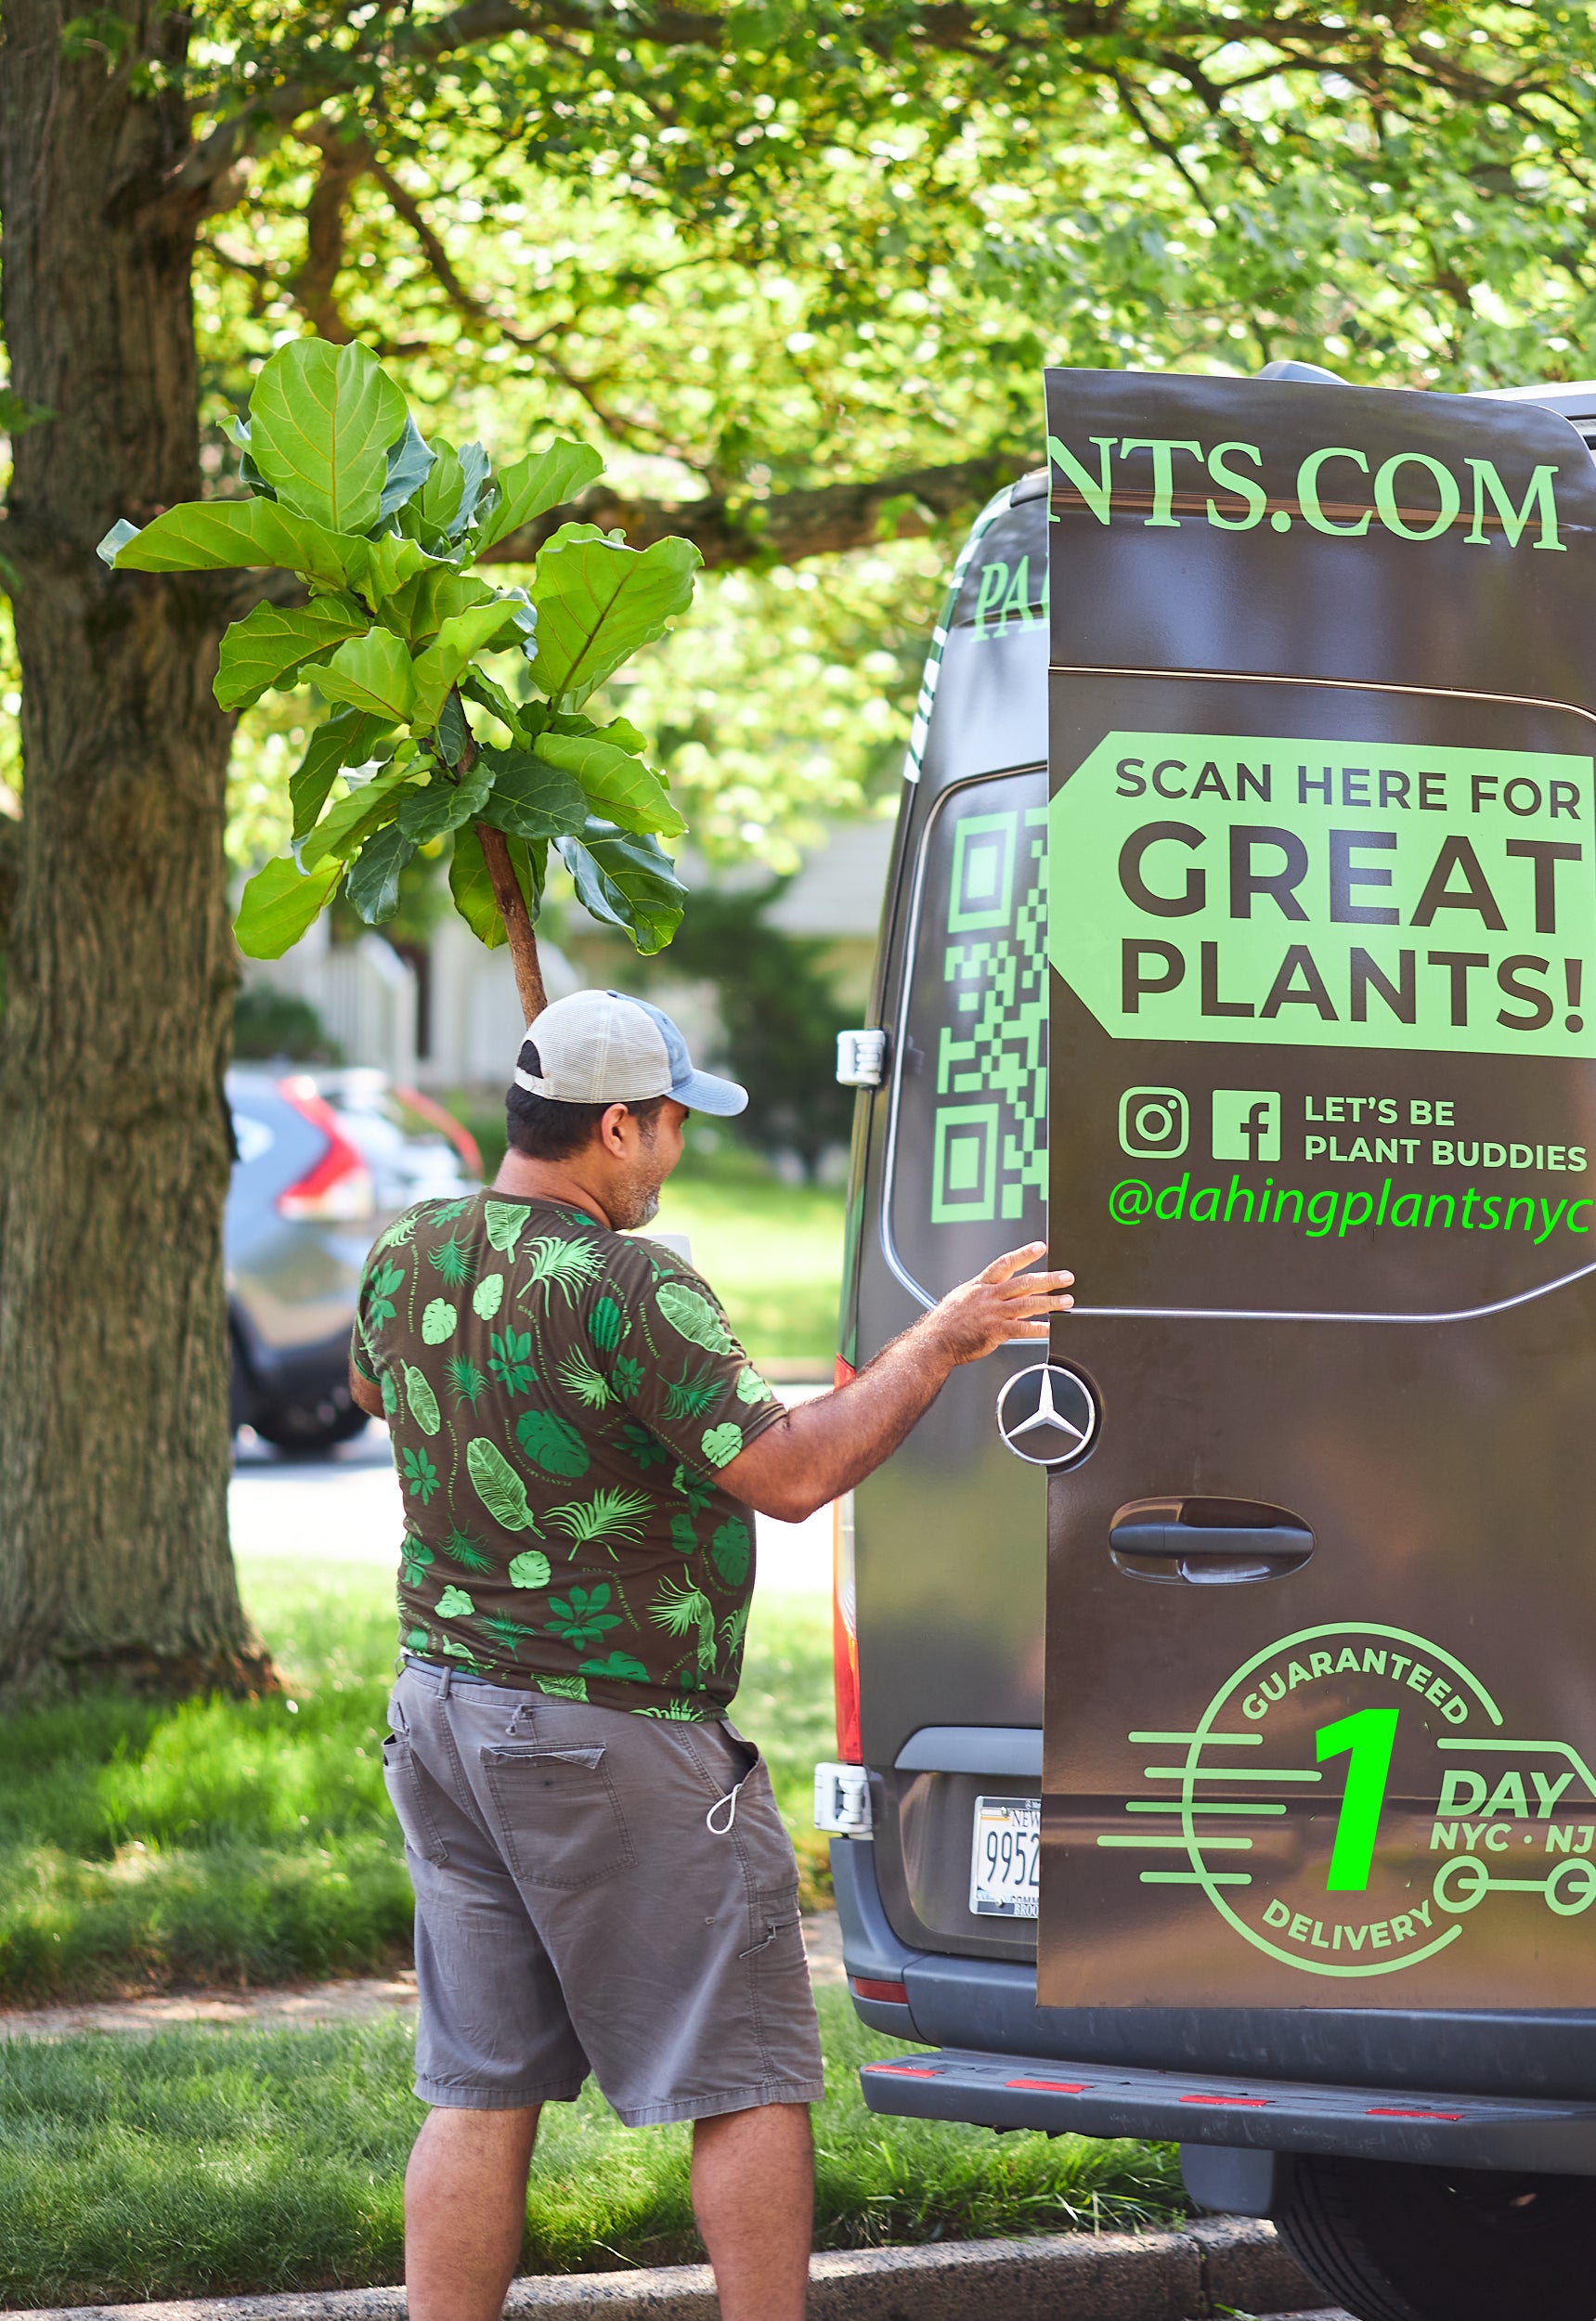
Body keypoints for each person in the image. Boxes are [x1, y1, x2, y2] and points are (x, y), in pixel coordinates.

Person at [349, 988, 1073, 2321]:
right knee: (744, 2071)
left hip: (441, 1714)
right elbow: (792, 1475)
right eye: (671, 1126)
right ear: (614, 1124)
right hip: (608, 1735)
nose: (675, 1156)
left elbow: (370, 1389)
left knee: (478, 2083)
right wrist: (949, 1337)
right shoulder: (634, 1284)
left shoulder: (410, 1249)